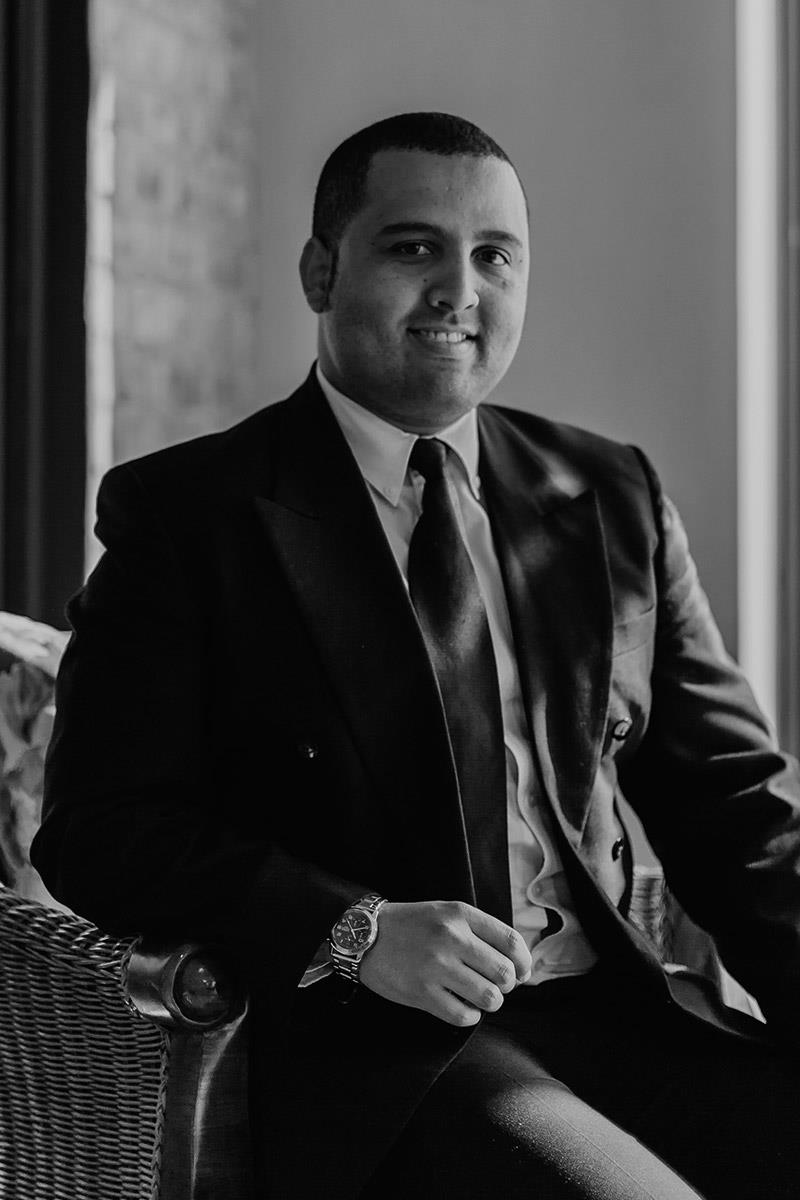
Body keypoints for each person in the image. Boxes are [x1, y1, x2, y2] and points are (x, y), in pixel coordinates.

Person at [32, 112, 800, 1199]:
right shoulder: (188, 515)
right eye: (413, 248)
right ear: (320, 270)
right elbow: (98, 831)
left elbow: (734, 805)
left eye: (494, 256)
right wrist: (351, 929)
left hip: (615, 1011)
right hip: (378, 1057)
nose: (458, 290)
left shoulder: (609, 495)